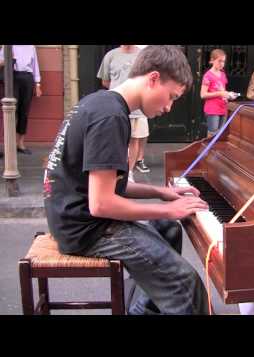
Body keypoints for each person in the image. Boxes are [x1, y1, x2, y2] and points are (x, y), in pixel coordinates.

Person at [43, 45, 210, 315]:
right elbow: (101, 204)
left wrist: (161, 193)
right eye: (171, 97)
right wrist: (168, 209)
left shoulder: (101, 102)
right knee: (184, 284)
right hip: (85, 230)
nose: (168, 107)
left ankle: (144, 308)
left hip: (73, 217)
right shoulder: (110, 117)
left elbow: (111, 185)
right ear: (153, 78)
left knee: (168, 228)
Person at [97, 45, 150, 183]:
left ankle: (129, 173)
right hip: (116, 108)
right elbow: (105, 81)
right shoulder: (110, 55)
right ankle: (115, 172)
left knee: (135, 139)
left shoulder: (143, 55)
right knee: (115, 140)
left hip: (138, 107)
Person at [0, 45, 42, 155]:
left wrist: (37, 85)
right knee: (12, 110)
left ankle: (20, 143)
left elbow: (35, 66)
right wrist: (8, 60)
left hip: (27, 78)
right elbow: (0, 61)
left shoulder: (31, 47)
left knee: (24, 112)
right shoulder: (8, 46)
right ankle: (10, 144)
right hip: (12, 77)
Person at [200, 49, 232, 137]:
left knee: (221, 134)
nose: (222, 64)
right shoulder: (208, 76)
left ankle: (216, 151)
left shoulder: (222, 74)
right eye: (219, 61)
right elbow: (203, 95)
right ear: (212, 60)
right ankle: (209, 150)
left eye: (223, 61)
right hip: (212, 109)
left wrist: (228, 94)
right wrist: (220, 94)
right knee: (212, 134)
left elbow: (222, 90)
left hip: (223, 107)